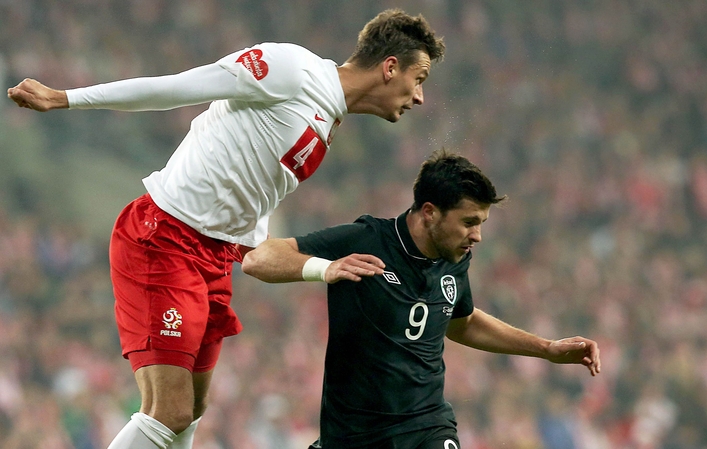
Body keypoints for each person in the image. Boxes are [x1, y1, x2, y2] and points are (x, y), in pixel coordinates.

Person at [6, 9, 445, 449]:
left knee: (191, 412)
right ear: (390, 67)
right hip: (163, 236)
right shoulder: (292, 69)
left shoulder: (327, 119)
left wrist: (320, 268)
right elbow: (177, 87)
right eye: (419, 77)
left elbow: (254, 234)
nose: (420, 96)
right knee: (169, 411)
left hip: (216, 256)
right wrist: (65, 97)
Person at [241, 149, 602, 449]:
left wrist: (546, 348)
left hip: (425, 428)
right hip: (351, 437)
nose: (476, 236)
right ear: (430, 212)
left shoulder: (455, 259)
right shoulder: (366, 240)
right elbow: (258, 259)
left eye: (481, 224)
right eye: (468, 222)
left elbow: (464, 323)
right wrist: (325, 267)